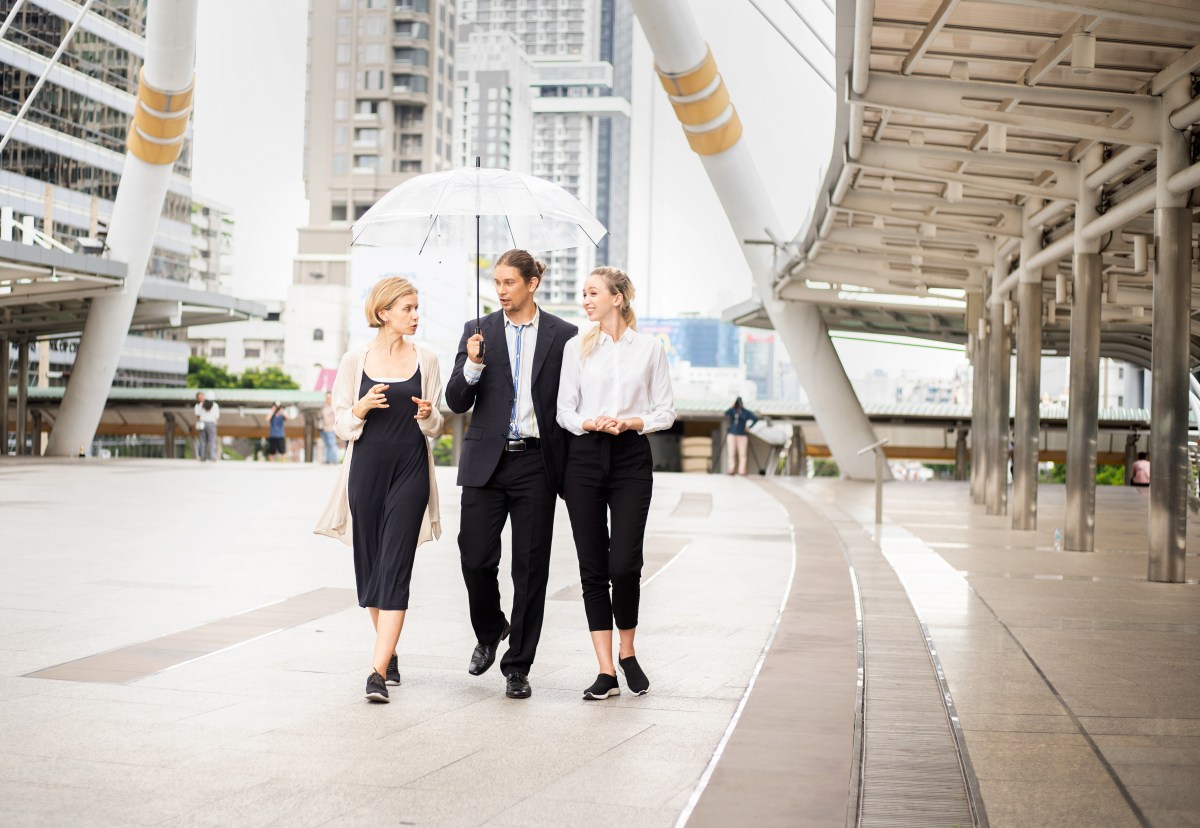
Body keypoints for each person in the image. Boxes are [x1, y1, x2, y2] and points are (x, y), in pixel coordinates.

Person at [445, 249, 578, 700]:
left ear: (531, 283)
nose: (501, 291)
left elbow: (572, 401)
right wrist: (473, 364)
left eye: (509, 282)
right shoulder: (476, 331)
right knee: (475, 558)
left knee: (531, 568)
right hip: (486, 461)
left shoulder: (565, 335)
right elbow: (456, 401)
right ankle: (490, 628)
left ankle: (517, 665)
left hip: (537, 464)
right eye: (496, 283)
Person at [313, 276, 443, 703]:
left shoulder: (427, 359)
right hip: (365, 473)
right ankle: (389, 653)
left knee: (396, 566)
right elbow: (341, 424)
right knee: (370, 568)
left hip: (410, 472)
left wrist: (427, 415)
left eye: (416, 307)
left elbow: (436, 427)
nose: (415, 315)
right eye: (408, 308)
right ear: (384, 312)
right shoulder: (355, 359)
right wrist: (360, 408)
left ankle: (375, 672)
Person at [557, 266, 675, 701]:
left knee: (625, 564)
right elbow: (563, 410)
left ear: (618, 298)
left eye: (592, 293)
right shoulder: (576, 348)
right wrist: (590, 421)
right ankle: (606, 670)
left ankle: (628, 651)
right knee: (593, 567)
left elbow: (666, 410)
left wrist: (632, 421)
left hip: (630, 456)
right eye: (584, 293)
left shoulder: (650, 348)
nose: (586, 300)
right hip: (584, 457)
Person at [723, 397, 758, 476]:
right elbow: (725, 413)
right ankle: (731, 469)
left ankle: (742, 470)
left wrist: (749, 427)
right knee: (731, 453)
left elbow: (756, 418)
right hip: (732, 434)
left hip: (742, 435)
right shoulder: (732, 410)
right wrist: (732, 407)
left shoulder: (746, 412)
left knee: (742, 454)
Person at [193, 391, 219, 462]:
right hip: (211, 423)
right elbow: (217, 416)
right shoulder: (215, 405)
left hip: (202, 423)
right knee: (212, 441)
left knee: (202, 441)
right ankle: (213, 457)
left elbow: (198, 415)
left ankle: (202, 457)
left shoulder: (201, 404)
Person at [320, 391, 339, 464]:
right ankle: (327, 460)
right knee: (328, 445)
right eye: (327, 397)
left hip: (331, 428)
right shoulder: (324, 407)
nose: (328, 399)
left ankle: (335, 460)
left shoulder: (334, 407)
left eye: (329, 397)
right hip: (324, 429)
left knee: (333, 444)